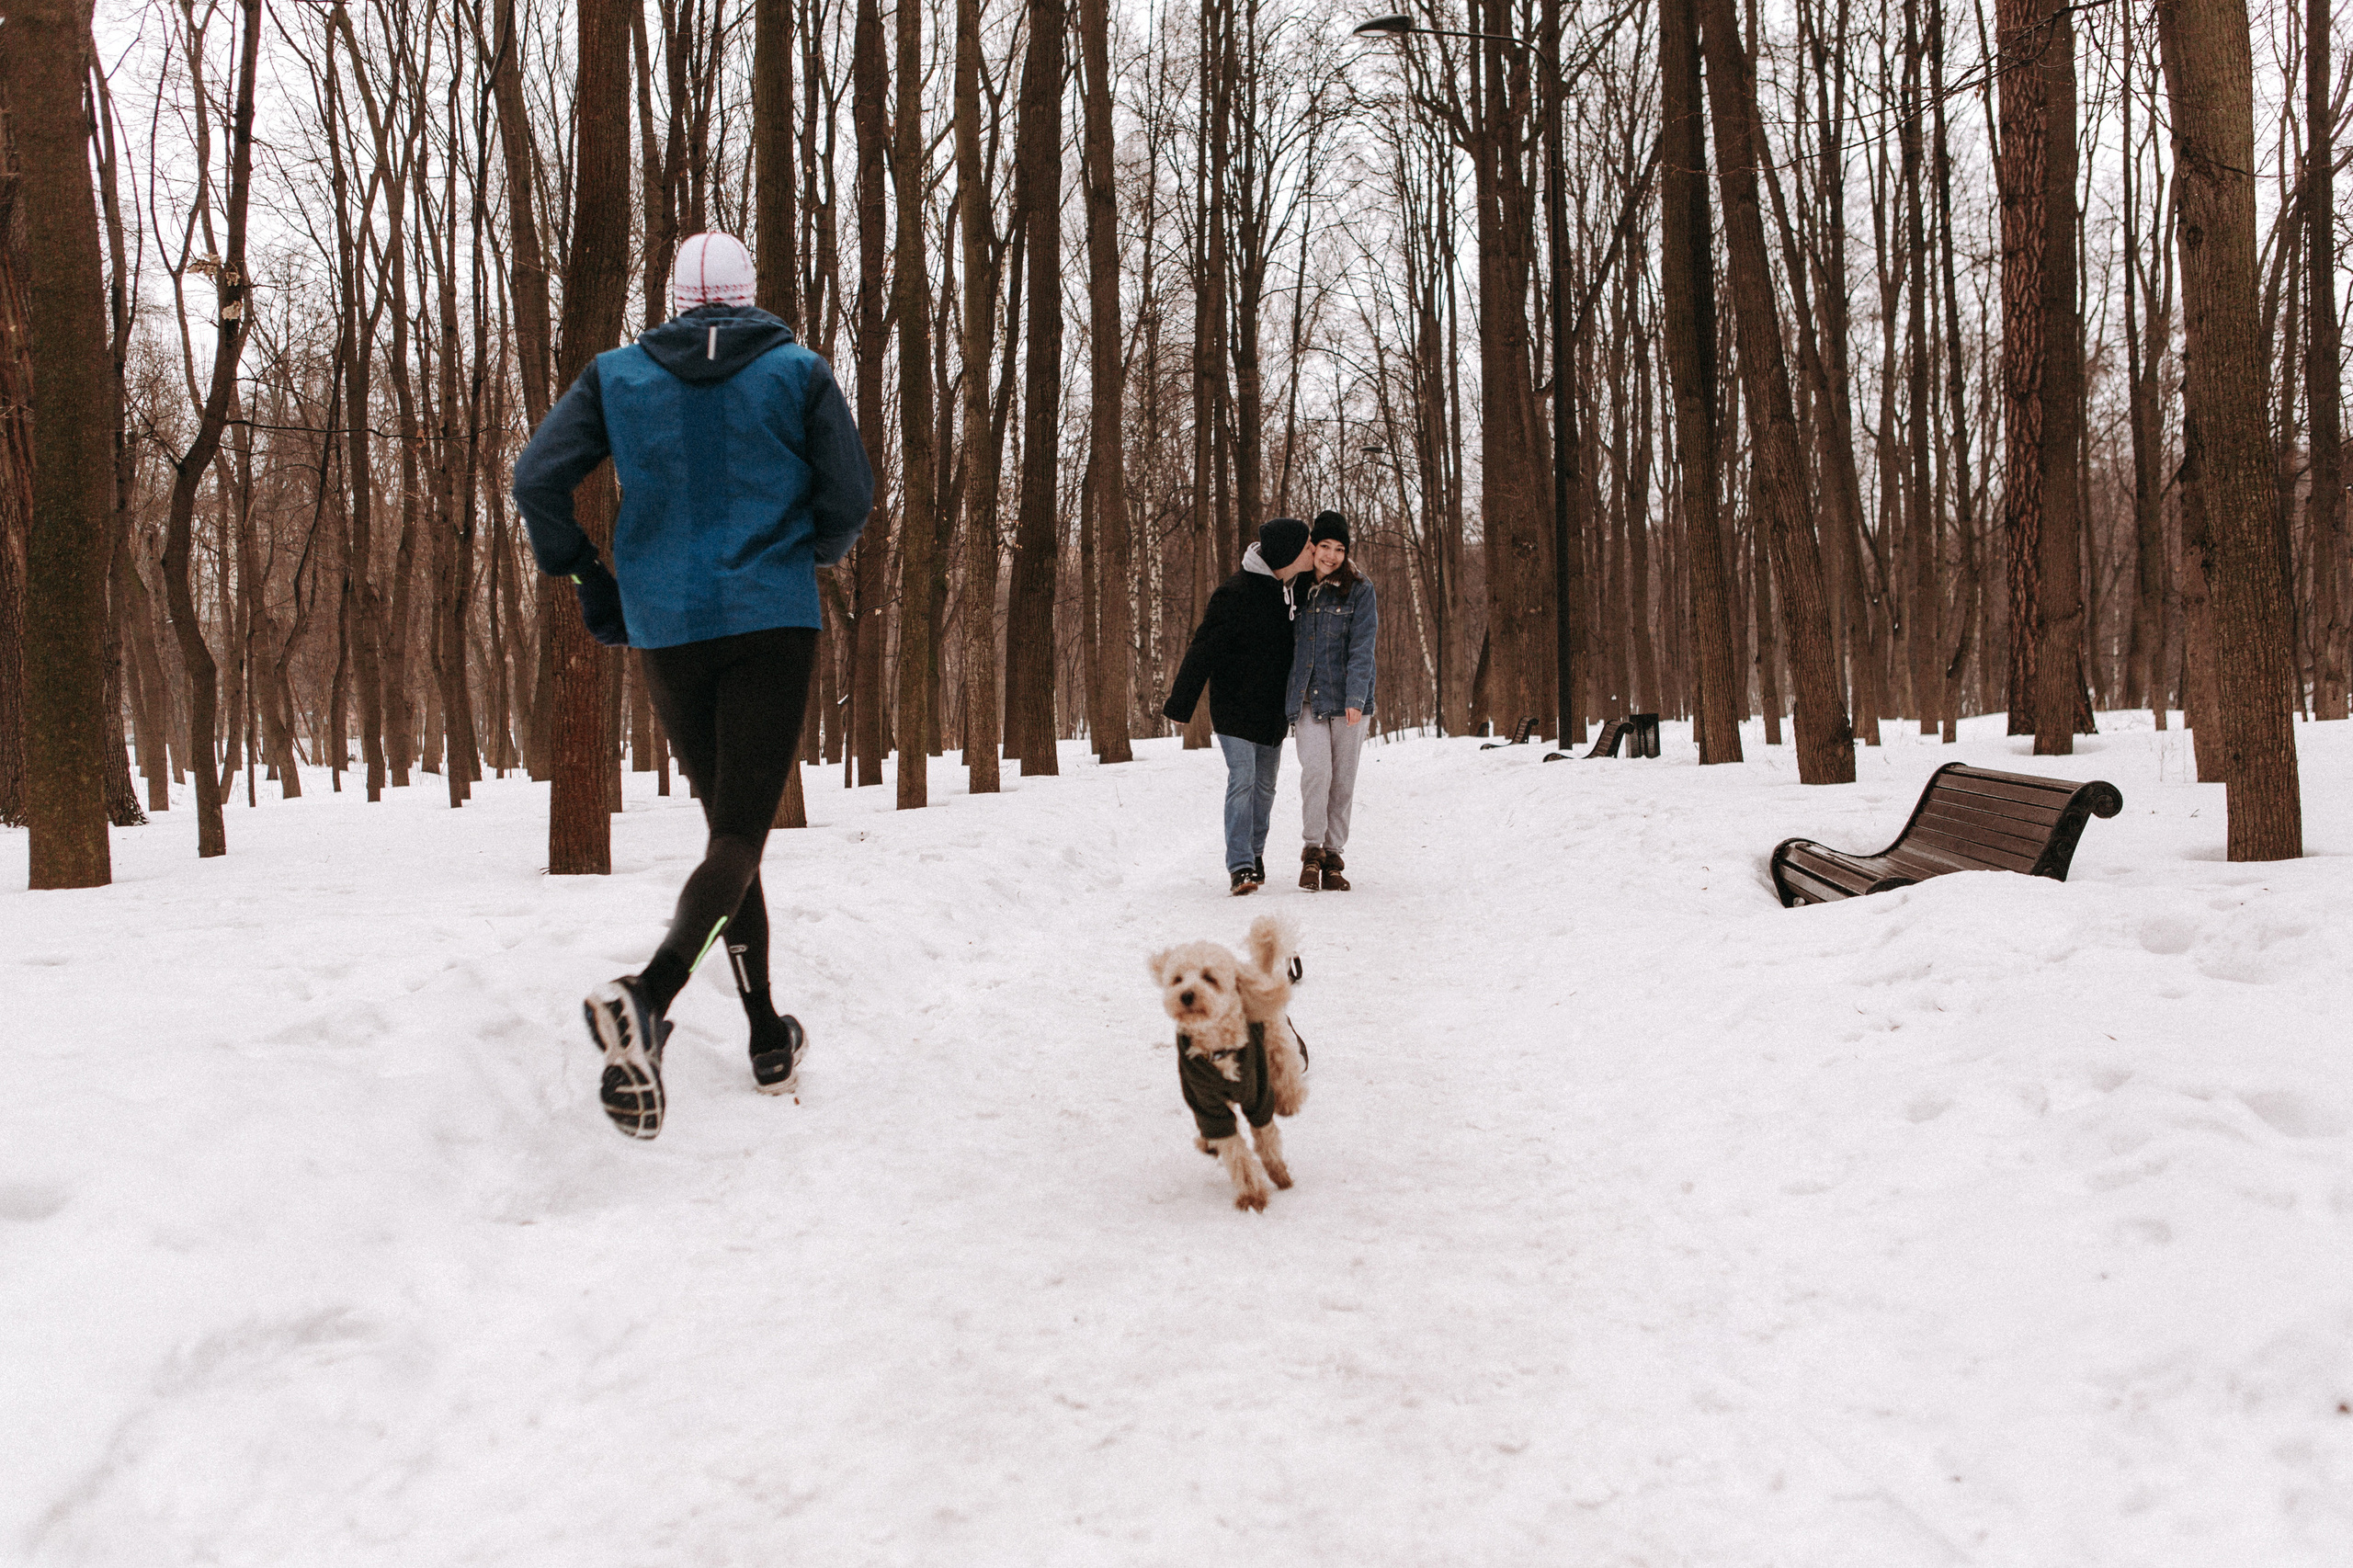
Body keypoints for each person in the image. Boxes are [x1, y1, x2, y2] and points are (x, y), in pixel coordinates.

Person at [512, 232, 873, 1141]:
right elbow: (850, 495)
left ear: (674, 299)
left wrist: (586, 575)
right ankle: (649, 994)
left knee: (729, 831)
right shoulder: (797, 371)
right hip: (769, 616)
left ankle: (764, 1036)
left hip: (667, 622)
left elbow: (535, 476)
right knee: (741, 831)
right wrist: (810, 550)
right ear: (750, 295)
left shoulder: (618, 375)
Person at [1163, 518, 1316, 894]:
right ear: (1289, 553)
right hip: (1233, 708)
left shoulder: (1295, 591)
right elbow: (1204, 647)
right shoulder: (1234, 593)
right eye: (1308, 545)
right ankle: (1240, 865)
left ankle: (1255, 855)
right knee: (1243, 780)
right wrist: (1181, 703)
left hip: (1271, 712)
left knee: (1265, 789)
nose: (1314, 550)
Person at [1287, 510, 1378, 892]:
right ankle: (1312, 852)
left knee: (1342, 780)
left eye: (1339, 549)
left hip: (1348, 703)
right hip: (1307, 698)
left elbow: (1363, 647)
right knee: (1317, 773)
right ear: (1314, 546)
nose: (1331, 556)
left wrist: (1356, 696)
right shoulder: (1295, 587)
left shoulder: (1360, 589)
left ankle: (1334, 855)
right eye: (1325, 546)